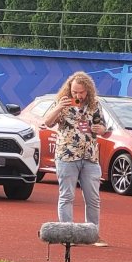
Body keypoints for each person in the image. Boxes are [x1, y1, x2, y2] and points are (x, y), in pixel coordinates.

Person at [41, 71, 109, 247]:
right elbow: (47, 122)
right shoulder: (62, 102)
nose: (78, 96)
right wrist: (59, 107)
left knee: (93, 198)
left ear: (88, 91)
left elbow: (104, 127)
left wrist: (100, 129)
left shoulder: (95, 104)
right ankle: (67, 236)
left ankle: (93, 235)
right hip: (67, 155)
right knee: (67, 196)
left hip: (90, 156)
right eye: (74, 92)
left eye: (81, 92)